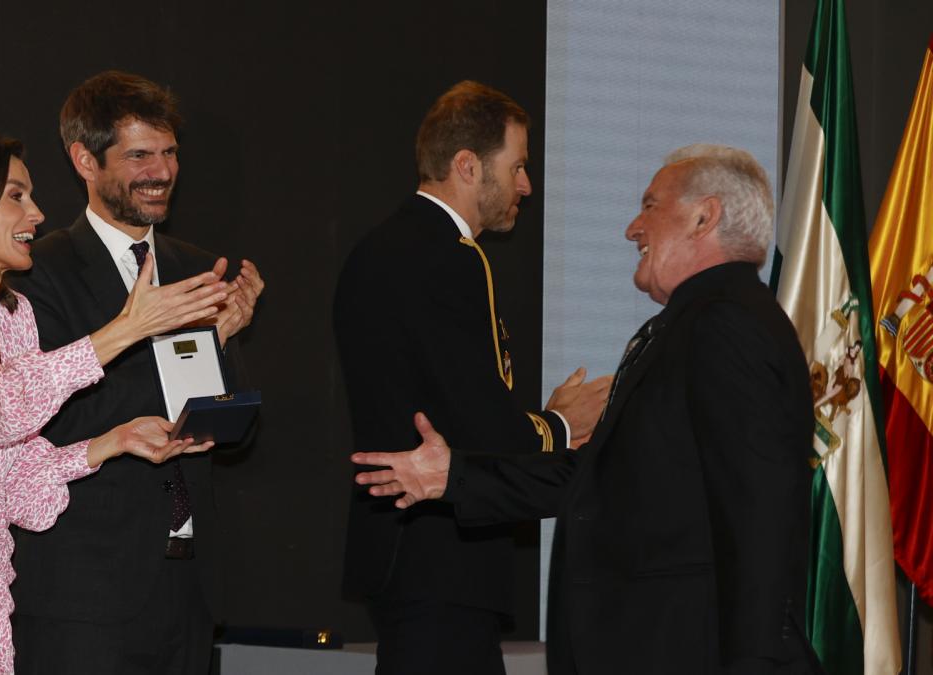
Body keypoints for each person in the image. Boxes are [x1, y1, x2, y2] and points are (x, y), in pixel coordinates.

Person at [353, 145, 825, 674]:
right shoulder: (695, 324)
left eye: (649, 205)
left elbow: (759, 510)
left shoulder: (726, 324)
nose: (632, 228)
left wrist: (755, 661)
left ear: (704, 216)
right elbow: (596, 477)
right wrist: (454, 478)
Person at [0, 131, 227, 673]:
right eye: (16, 195)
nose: (36, 211)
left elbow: (23, 484)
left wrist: (113, 442)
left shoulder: (14, 319)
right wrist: (125, 329)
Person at [334, 80, 611, 675]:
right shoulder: (451, 258)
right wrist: (562, 426)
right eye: (517, 166)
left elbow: (444, 399)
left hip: (407, 554)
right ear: (466, 165)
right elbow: (475, 425)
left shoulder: (380, 248)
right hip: (441, 557)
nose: (525, 186)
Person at [8, 71, 264, 675]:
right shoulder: (36, 273)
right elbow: (47, 421)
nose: (162, 171)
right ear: (84, 160)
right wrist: (159, 340)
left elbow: (233, 432)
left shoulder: (198, 268)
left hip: (188, 588)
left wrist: (221, 343)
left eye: (170, 152)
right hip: (84, 592)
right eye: (139, 155)